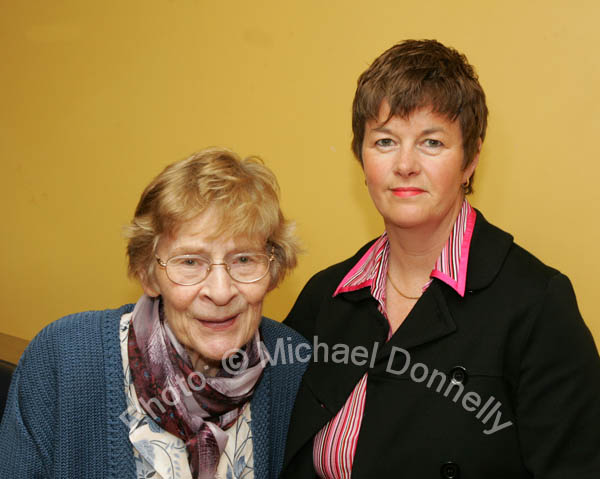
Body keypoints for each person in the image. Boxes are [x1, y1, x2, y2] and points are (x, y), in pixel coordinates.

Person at [281, 40, 600, 478]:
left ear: (470, 159)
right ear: (361, 156)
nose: (405, 164)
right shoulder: (325, 297)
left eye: (431, 142)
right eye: (385, 141)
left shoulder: (537, 304)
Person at [0, 147, 309, 479]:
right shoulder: (63, 360)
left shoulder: (290, 366)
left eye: (244, 260)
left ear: (273, 268)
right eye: (190, 262)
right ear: (148, 273)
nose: (220, 292)